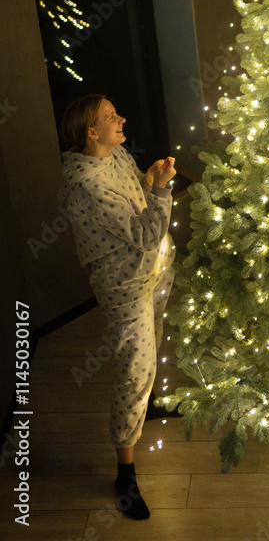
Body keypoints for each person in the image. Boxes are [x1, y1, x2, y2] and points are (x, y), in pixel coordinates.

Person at [59, 94, 177, 520]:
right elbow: (144, 232)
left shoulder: (118, 153)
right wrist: (162, 191)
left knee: (151, 350)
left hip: (156, 273)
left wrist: (149, 181)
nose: (121, 118)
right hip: (126, 288)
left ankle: (149, 406)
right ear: (92, 132)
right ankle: (124, 473)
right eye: (112, 117)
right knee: (134, 372)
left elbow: (138, 203)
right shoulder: (87, 186)